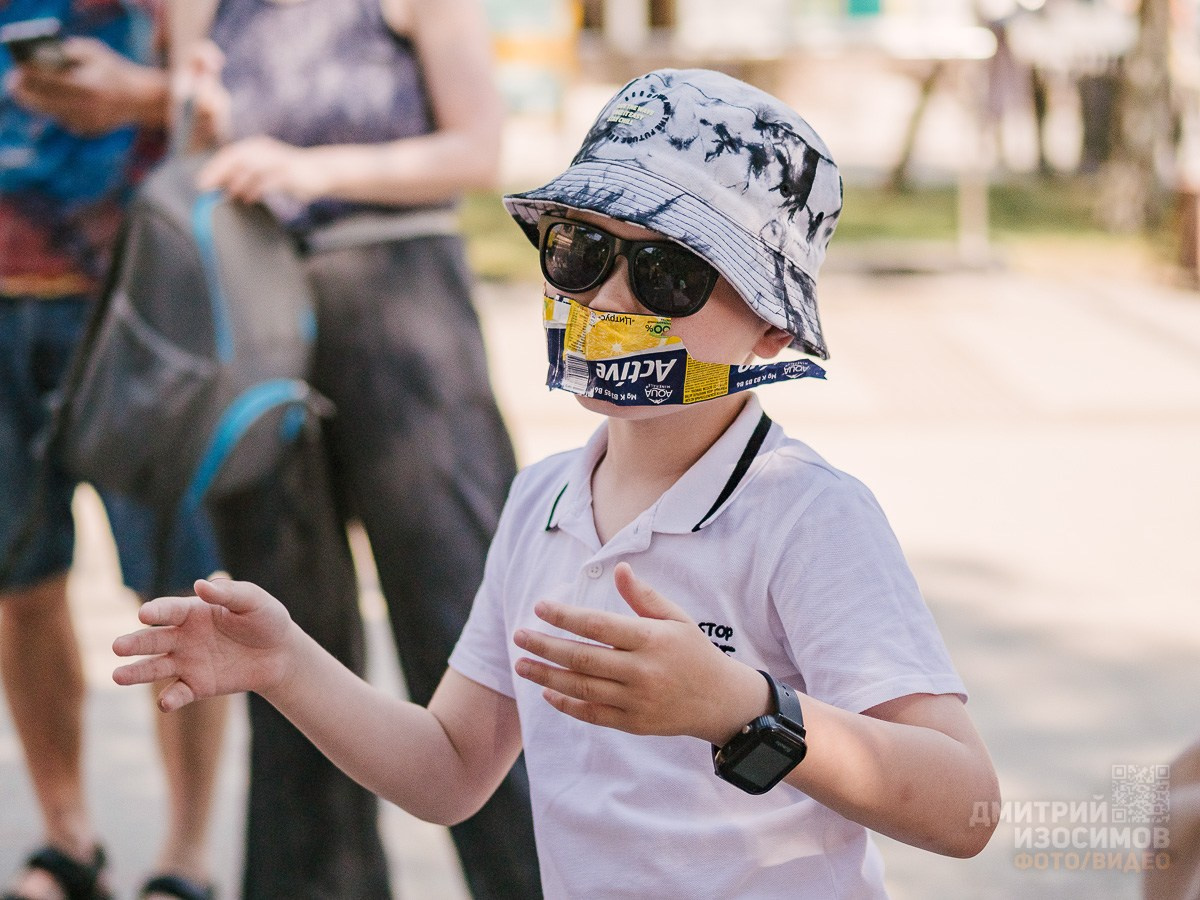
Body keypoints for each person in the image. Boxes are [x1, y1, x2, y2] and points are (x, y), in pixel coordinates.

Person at [113, 68, 1002, 897]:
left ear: (772, 328)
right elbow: (452, 769)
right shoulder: (540, 501)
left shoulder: (807, 514)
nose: (610, 297)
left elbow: (966, 805)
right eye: (581, 250)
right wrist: (286, 663)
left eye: (669, 272)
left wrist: (741, 709)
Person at [168, 0, 541, 897]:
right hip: (254, 319)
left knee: (466, 624)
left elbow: (476, 151)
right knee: (283, 650)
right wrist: (201, 122)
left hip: (400, 298)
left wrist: (304, 167)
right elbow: (188, 148)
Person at [0, 6, 228, 900]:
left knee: (180, 593)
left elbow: (233, 99)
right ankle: (68, 841)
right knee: (20, 583)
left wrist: (138, 96)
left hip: (142, 297)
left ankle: (186, 857)